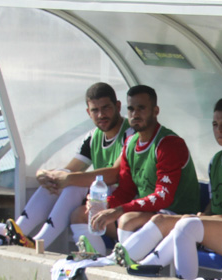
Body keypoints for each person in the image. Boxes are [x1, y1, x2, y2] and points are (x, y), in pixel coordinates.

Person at [112, 98, 222, 279]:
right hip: (214, 224)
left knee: (183, 224)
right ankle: (131, 264)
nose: (219, 130)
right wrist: (206, 214)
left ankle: (135, 267)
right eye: (215, 125)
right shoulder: (215, 160)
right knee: (167, 221)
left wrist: (214, 218)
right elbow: (214, 201)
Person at [8, 82, 133, 249]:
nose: (101, 114)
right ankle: (17, 232)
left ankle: (40, 241)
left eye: (106, 108)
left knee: (75, 183)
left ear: (118, 106)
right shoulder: (93, 137)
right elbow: (70, 170)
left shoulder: (130, 133)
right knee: (61, 178)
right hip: (102, 201)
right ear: (88, 113)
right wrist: (44, 174)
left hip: (124, 202)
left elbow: (114, 174)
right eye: (95, 110)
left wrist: (68, 178)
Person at [78, 85, 200, 254]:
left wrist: (119, 209)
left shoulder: (169, 143)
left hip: (179, 215)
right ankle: (106, 261)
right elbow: (126, 190)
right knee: (89, 213)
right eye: (131, 109)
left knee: (127, 218)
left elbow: (163, 197)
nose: (135, 114)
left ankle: (122, 264)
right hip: (151, 213)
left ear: (155, 111)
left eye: (141, 108)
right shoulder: (130, 144)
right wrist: (103, 204)